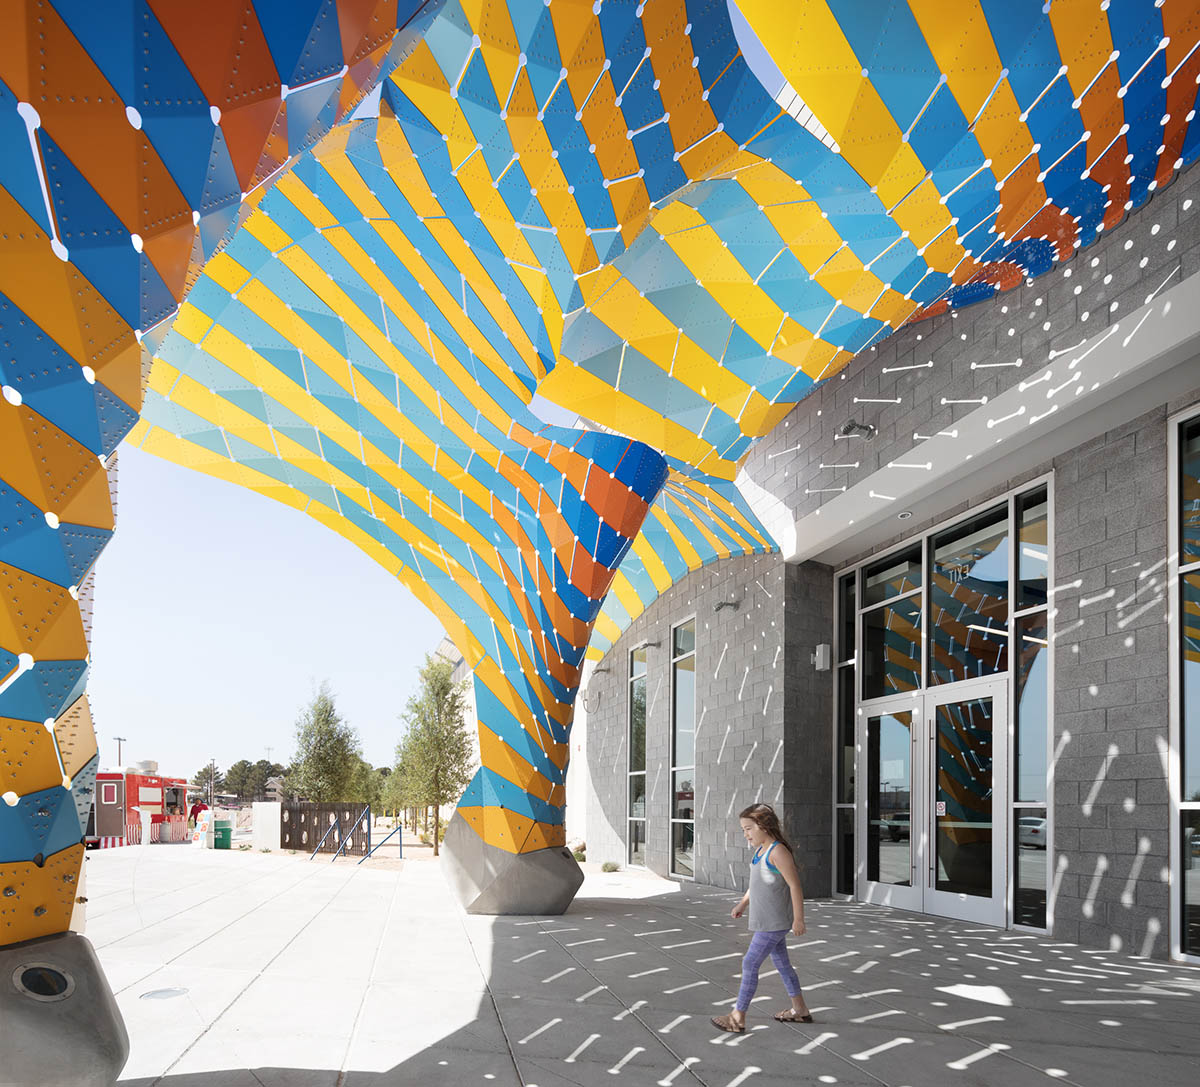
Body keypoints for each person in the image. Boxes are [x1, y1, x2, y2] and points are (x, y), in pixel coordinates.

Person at [711, 803, 812, 1033]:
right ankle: (800, 1010)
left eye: (748, 828)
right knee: (783, 965)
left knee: (750, 963)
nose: (745, 834)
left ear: (764, 826)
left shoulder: (778, 851)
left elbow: (795, 886)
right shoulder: (759, 852)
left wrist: (799, 919)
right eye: (743, 829)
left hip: (774, 923)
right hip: (766, 921)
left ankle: (738, 1018)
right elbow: (756, 885)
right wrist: (742, 903)